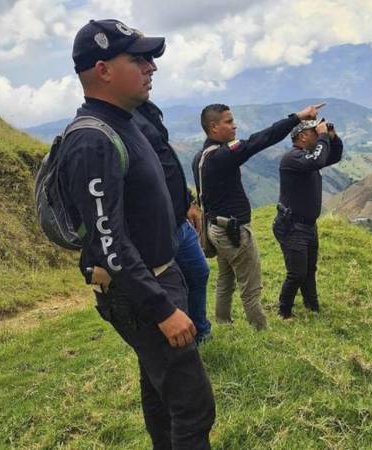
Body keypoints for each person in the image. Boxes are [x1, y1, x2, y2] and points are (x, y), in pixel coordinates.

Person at [58, 19, 215, 449]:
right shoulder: (93, 140)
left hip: (154, 278)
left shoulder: (124, 120)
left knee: (162, 394)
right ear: (104, 69)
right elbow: (110, 242)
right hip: (141, 292)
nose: (151, 67)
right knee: (193, 407)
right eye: (139, 58)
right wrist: (162, 308)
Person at [192, 103, 322, 330]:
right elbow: (261, 139)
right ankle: (261, 330)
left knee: (226, 279)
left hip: (215, 228)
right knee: (250, 286)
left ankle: (223, 322)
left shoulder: (201, 157)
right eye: (229, 121)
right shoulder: (221, 156)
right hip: (233, 230)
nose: (235, 126)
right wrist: (297, 117)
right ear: (213, 127)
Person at [133, 101, 212, 345]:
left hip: (178, 220)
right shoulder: (122, 122)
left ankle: (199, 331)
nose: (150, 69)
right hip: (157, 227)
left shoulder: (144, 111)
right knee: (171, 286)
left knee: (198, 272)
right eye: (139, 61)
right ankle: (182, 341)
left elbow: (167, 167)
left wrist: (186, 201)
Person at [273, 119, 343, 319]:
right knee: (297, 273)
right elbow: (318, 160)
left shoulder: (307, 158)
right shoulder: (292, 158)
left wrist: (332, 137)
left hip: (308, 226)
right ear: (302, 136)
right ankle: (284, 311)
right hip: (292, 226)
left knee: (309, 269)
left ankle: (312, 306)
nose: (318, 133)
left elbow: (334, 156)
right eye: (314, 131)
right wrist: (322, 138)